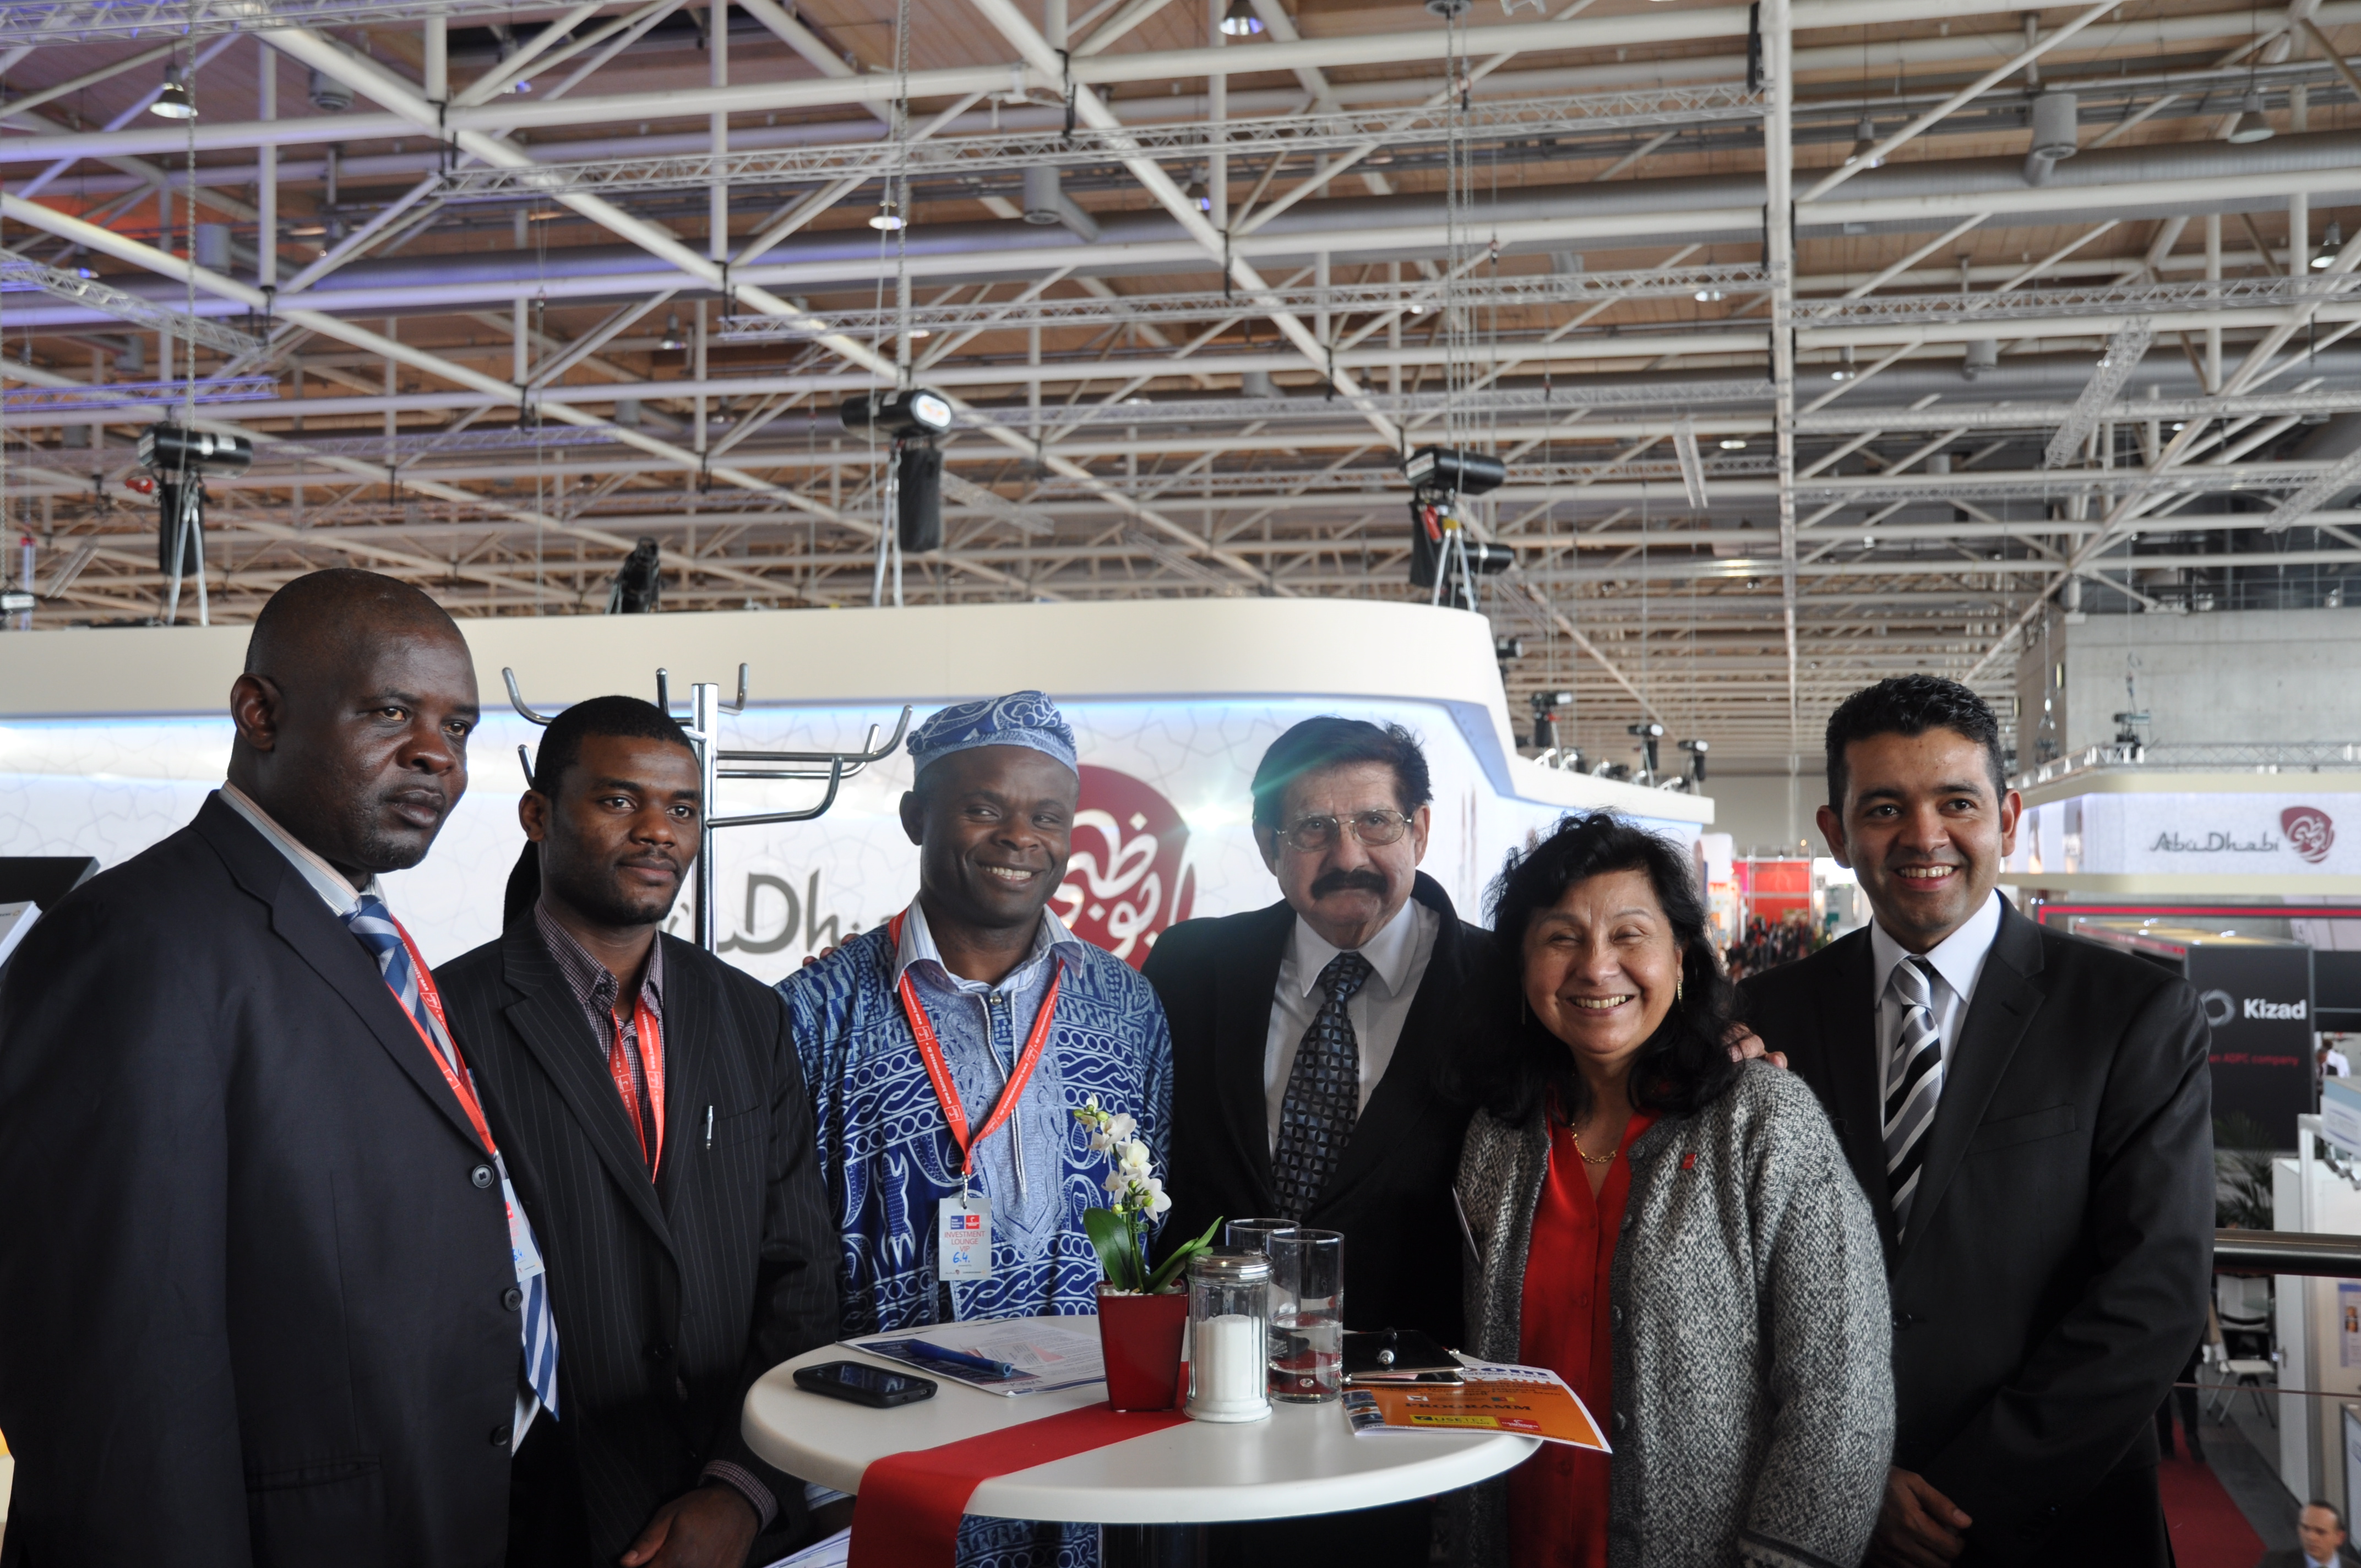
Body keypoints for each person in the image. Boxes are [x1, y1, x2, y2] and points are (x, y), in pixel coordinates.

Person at [0, 569, 530, 1564]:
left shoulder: (360, 931)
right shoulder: (135, 944)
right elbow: (120, 1383)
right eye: (390, 712)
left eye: (458, 727)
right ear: (259, 712)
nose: (437, 754)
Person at [1742, 675, 2213, 1567]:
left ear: (2007, 817)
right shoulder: (1765, 1017)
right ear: (1837, 834)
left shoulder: (2130, 1013)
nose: (1923, 836)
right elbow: (1734, 1289)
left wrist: (1967, 1493)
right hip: (1827, 1523)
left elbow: (2155, 1293)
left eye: (1956, 802)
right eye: (1884, 807)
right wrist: (1853, 1480)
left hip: (2058, 1526)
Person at [435, 696, 839, 1568]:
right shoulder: (445, 1020)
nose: (658, 830)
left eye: (682, 808)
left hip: (738, 1513)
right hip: (537, 1519)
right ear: (537, 814)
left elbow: (802, 1277)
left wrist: (743, 1490)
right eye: (620, 800)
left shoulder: (750, 1015)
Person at [777, 691, 1171, 1568]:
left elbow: (1147, 1240)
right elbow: (776, 1255)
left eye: (1048, 816)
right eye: (984, 808)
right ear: (917, 816)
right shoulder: (814, 1013)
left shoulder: (1128, 1009)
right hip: (881, 1450)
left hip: (1084, 1460)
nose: (1020, 837)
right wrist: (806, 1476)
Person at [1451, 812, 1892, 1568]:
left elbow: (1843, 1392)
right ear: (1522, 967)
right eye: (1560, 938)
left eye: (1630, 935)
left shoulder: (1763, 1121)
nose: (1597, 967)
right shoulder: (1499, 1136)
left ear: (1681, 958)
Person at [1145, 717, 1492, 1567]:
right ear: (1269, 845)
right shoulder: (1190, 969)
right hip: (1206, 1423)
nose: (1348, 855)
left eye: (1375, 821)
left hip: (1408, 1439)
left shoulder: (1502, 989)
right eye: (1312, 829)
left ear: (1420, 829)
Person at [2258, 1501, 2354, 1567]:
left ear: (2339, 1538)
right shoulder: (2274, 1564)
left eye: (2320, 1532)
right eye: (2306, 1528)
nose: (2311, 1537)